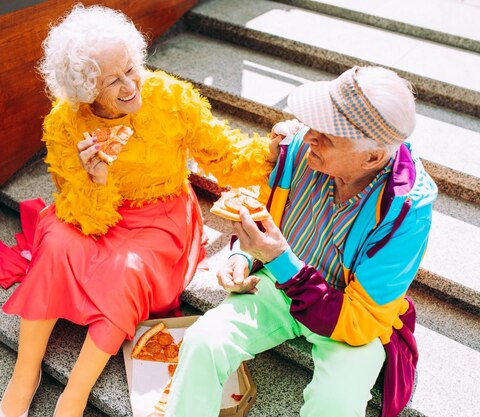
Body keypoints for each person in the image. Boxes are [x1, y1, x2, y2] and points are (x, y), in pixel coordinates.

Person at [0, 4, 275, 417]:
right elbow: (78, 212)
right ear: (84, 89)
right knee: (57, 246)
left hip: (162, 217)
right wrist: (95, 179)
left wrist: (270, 152)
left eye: (132, 68)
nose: (131, 85)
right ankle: (25, 375)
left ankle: (76, 393)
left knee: (125, 270)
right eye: (112, 80)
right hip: (92, 209)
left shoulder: (170, 97)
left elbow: (225, 157)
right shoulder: (65, 122)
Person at [165, 66, 438, 417]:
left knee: (336, 403)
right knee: (203, 341)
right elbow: (263, 210)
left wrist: (278, 259)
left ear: (372, 157)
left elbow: (361, 321)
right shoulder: (296, 148)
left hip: (350, 313)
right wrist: (245, 256)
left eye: (328, 135)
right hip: (278, 285)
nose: (309, 136)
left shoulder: (407, 212)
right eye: (314, 123)